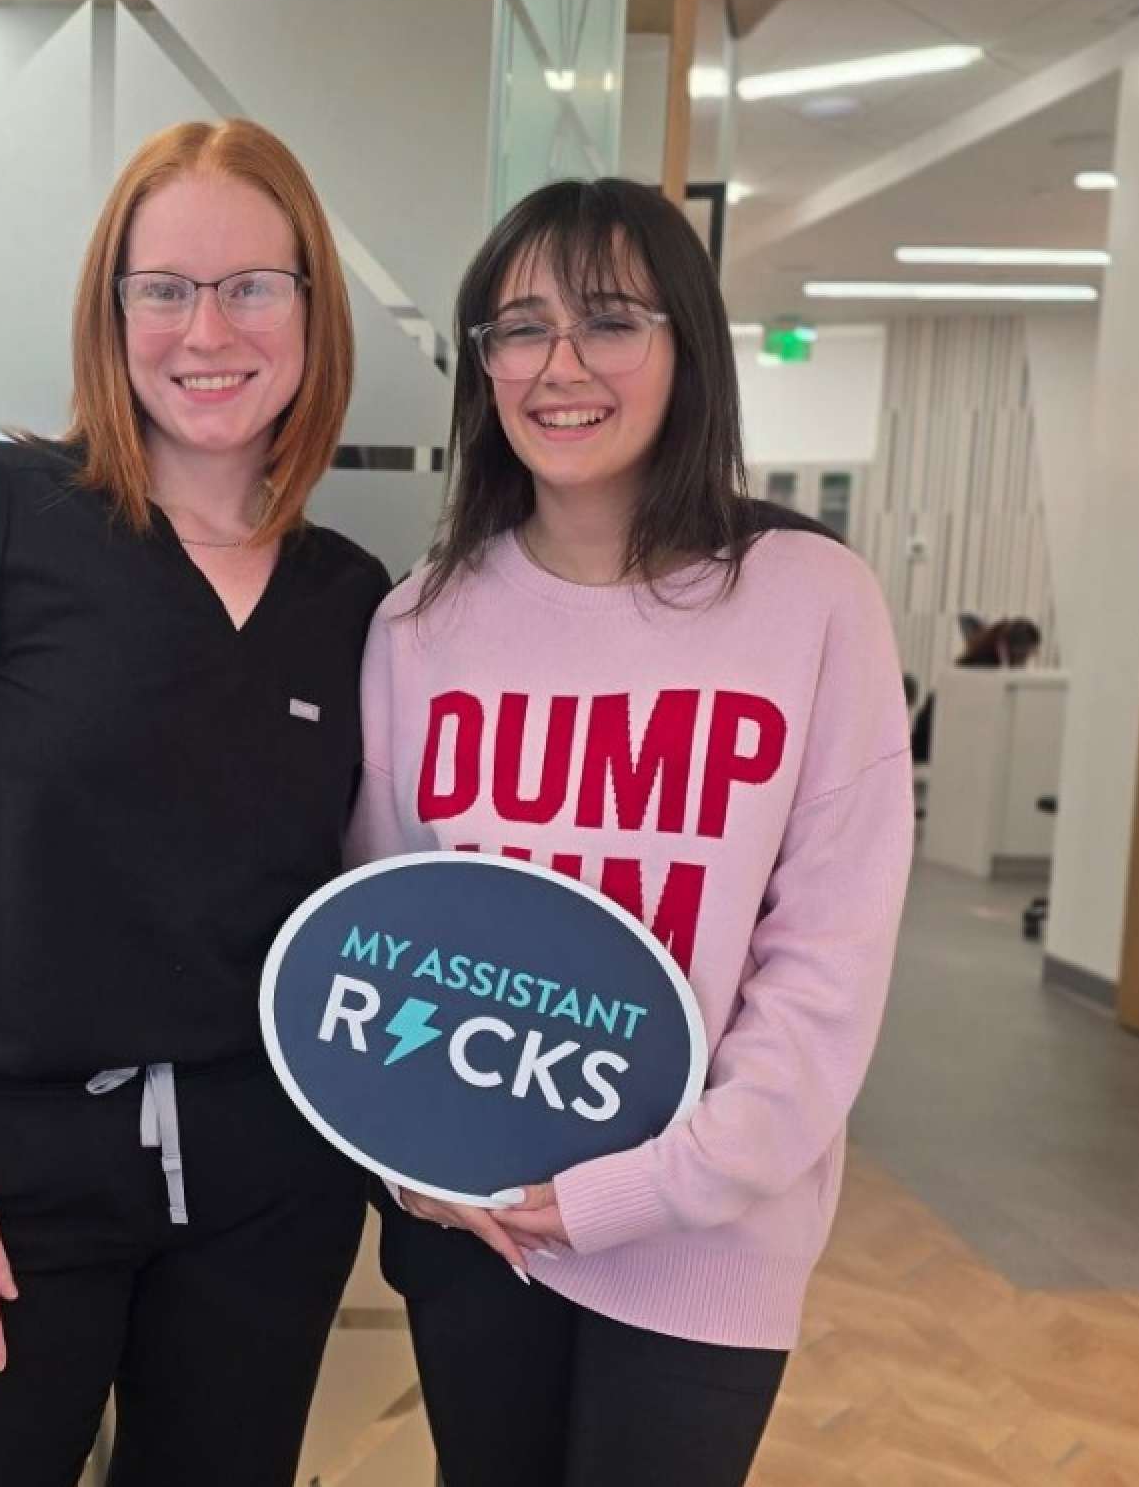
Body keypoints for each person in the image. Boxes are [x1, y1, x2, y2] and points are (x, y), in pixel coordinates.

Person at [0, 118, 390, 1487]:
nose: (208, 330)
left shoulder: (352, 596)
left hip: (268, 1186)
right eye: (165, 288)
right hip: (7, 1178)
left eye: (251, 286)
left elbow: (368, 903)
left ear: (311, 308)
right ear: (111, 309)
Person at [346, 176, 915, 1486]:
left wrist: (651, 1186)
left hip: (704, 1236)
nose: (560, 365)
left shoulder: (810, 599)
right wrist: (414, 1165)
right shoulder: (417, 623)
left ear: (685, 345)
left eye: (607, 319)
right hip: (477, 1226)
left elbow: (824, 965)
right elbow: (378, 932)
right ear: (482, 364)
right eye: (519, 327)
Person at [910, 616, 1042, 762]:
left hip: (932, 738)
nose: (1025, 664)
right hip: (933, 742)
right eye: (1028, 656)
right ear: (1018, 650)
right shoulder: (984, 669)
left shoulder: (984, 657)